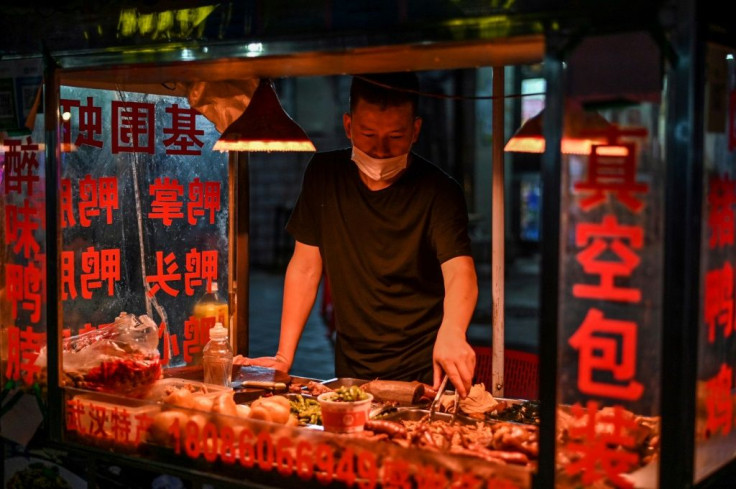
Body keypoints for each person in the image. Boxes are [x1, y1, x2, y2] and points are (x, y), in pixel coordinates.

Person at [237, 72, 478, 397]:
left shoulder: (440, 191)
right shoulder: (325, 175)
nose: (380, 149)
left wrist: (453, 331)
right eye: (367, 134)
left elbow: (459, 270)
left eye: (395, 136)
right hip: (351, 369)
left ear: (415, 130)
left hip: (424, 369)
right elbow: (306, 267)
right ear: (348, 126)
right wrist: (284, 356)